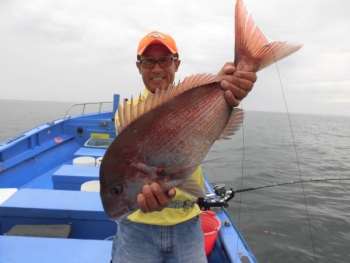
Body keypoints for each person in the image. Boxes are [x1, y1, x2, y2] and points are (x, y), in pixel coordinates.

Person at [111, 30, 257, 263]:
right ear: (139, 66)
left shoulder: (192, 99)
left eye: (165, 60)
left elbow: (201, 107)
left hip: (188, 223)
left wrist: (227, 84)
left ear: (176, 64)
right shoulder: (127, 117)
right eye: (148, 61)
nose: (157, 68)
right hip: (137, 229)